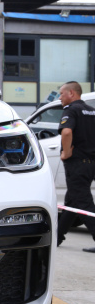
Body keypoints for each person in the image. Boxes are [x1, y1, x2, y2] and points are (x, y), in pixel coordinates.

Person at [56, 81, 95, 251]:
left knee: (83, 203)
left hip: (77, 164)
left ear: (71, 93)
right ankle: (57, 237)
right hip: (90, 164)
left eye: (61, 94)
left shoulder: (71, 110)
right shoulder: (92, 111)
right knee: (72, 202)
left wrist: (65, 153)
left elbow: (66, 132)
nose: (60, 98)